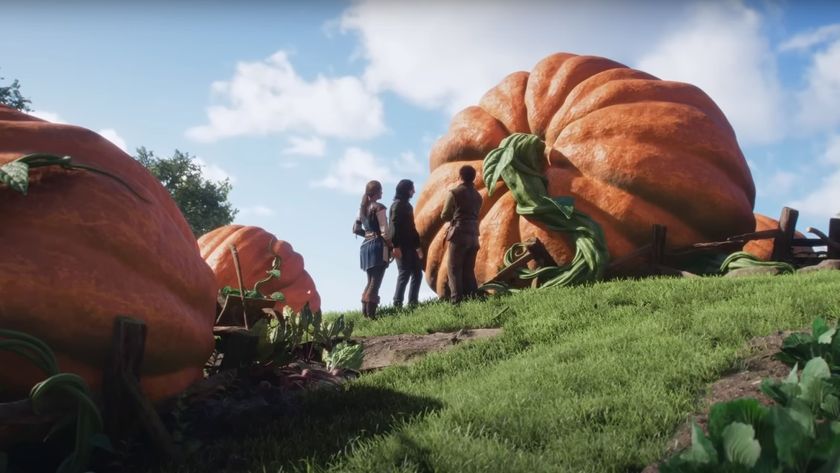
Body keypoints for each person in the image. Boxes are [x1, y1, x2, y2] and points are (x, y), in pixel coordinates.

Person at [440, 165, 483, 304]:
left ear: (460, 177)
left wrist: (454, 215)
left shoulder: (454, 193)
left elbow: (445, 215)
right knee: (469, 269)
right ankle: (472, 299)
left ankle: (456, 301)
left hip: (459, 233)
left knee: (454, 268)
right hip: (474, 234)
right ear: (473, 178)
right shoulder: (478, 196)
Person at [359, 180, 393, 318]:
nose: (382, 192)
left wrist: (368, 234)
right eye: (381, 190)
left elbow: (355, 229)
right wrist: (391, 246)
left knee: (370, 280)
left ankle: (365, 314)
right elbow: (385, 231)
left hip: (365, 246)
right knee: (375, 281)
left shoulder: (361, 209)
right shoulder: (379, 207)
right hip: (378, 246)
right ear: (376, 192)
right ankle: (371, 316)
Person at [389, 179, 423, 308]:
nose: (414, 191)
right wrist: (395, 246)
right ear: (406, 190)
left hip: (410, 246)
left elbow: (412, 227)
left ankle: (413, 304)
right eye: (412, 189)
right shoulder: (397, 205)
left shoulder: (408, 206)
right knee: (404, 273)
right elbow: (394, 226)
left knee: (417, 273)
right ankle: (397, 304)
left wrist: (418, 246)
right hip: (402, 246)